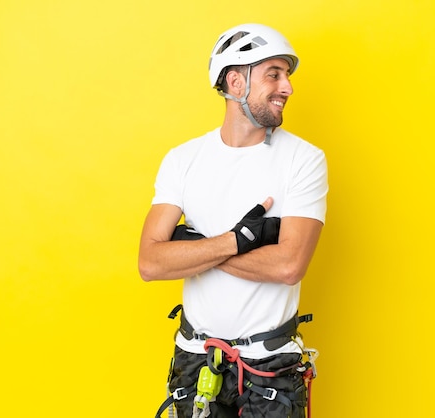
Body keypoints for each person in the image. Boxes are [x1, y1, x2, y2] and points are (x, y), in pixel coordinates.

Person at [138, 23, 328, 418]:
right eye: (273, 75)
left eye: (287, 76)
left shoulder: (304, 160)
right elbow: (150, 263)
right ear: (235, 80)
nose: (287, 87)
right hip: (195, 360)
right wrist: (240, 240)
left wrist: (195, 249)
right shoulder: (183, 160)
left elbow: (290, 266)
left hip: (270, 367)